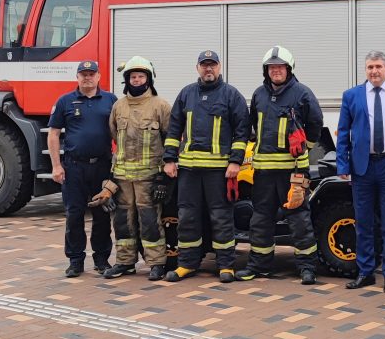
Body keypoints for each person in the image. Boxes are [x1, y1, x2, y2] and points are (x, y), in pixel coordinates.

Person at [237, 46, 324, 285]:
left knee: (298, 219)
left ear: (289, 68)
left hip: (293, 171)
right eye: (272, 67)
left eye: (280, 67)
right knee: (261, 219)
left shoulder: (302, 94)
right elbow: (254, 123)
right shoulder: (258, 95)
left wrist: (305, 145)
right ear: (266, 71)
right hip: (264, 172)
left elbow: (316, 122)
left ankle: (307, 268)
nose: (276, 71)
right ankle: (259, 265)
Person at [162, 50, 250, 283]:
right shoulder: (186, 94)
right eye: (204, 65)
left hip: (218, 172)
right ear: (197, 68)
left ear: (219, 67)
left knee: (221, 218)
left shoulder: (231, 95)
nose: (208, 69)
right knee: (187, 217)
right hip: (189, 172)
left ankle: (226, 266)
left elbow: (242, 131)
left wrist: (235, 161)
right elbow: (174, 129)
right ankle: (187, 264)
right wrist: (169, 159)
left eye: (212, 65)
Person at [336, 51, 385, 293]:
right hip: (362, 167)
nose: (374, 71)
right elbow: (343, 132)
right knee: (363, 222)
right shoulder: (352, 95)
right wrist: (343, 166)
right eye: (369, 67)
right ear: (365, 70)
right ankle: (365, 272)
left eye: (378, 67)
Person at [101, 57, 173, 282]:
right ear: (127, 80)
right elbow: (115, 136)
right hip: (122, 177)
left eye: (141, 76)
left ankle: (156, 263)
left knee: (150, 221)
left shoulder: (160, 106)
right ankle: (125, 262)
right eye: (133, 77)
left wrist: (162, 177)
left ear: (148, 79)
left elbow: (170, 139)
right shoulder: (118, 106)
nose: (137, 80)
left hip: (149, 177)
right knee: (122, 222)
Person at [48, 60, 118, 278]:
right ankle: (75, 261)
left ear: (99, 76)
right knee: (74, 215)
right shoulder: (65, 101)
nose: (87, 77)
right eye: (83, 74)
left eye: (91, 73)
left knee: (102, 215)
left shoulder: (111, 100)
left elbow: (119, 132)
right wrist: (56, 166)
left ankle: (101, 260)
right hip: (74, 167)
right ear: (77, 77)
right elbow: (53, 134)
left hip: (102, 167)